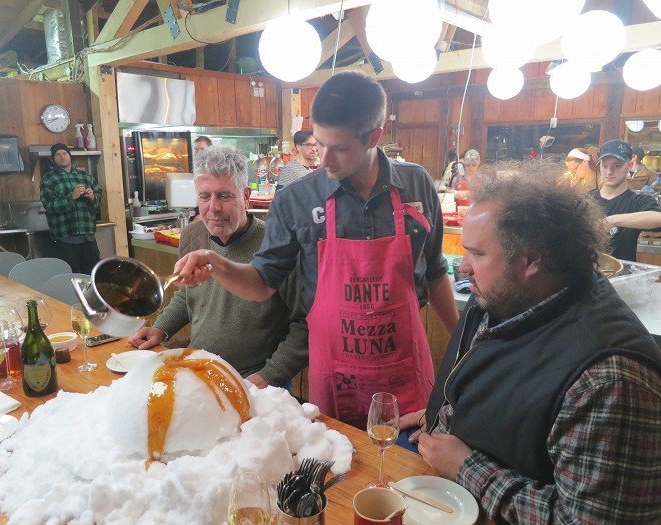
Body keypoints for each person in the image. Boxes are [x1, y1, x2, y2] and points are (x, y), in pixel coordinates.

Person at [174, 71, 458, 428]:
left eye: (338, 148)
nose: (323, 161)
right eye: (319, 144)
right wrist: (216, 263)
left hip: (404, 368)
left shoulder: (416, 185)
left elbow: (434, 271)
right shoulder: (296, 199)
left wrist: (461, 347)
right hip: (335, 374)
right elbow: (261, 284)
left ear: (374, 136)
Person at [412, 163, 661, 524]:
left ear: (531, 260)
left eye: (477, 253)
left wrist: (468, 467)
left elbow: (587, 520)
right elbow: (510, 397)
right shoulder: (504, 298)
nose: (462, 267)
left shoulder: (609, 380)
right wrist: (444, 416)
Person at [128, 146, 307, 388]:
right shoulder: (192, 235)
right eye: (205, 196)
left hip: (254, 380)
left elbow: (304, 325)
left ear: (245, 196)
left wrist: (266, 377)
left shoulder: (276, 245)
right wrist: (160, 328)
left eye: (224, 196)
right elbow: (187, 293)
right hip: (199, 369)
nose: (213, 208)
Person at [590, 139, 661, 261]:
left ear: (629, 165)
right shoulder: (586, 200)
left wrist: (612, 220)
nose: (609, 172)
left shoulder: (637, 201)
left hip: (622, 275)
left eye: (617, 165)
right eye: (604, 165)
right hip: (587, 274)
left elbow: (657, 218)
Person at [39, 143, 102, 274]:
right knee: (69, 277)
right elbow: (49, 206)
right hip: (65, 238)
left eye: (64, 153)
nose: (62, 157)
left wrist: (93, 197)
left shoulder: (86, 177)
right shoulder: (48, 180)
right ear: (53, 159)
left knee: (93, 275)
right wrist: (71, 197)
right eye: (58, 155)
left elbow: (98, 203)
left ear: (69, 156)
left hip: (88, 237)